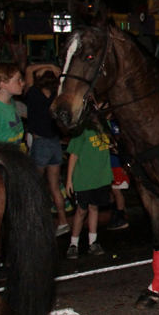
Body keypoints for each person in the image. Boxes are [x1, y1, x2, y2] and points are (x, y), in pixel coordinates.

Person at [24, 64, 70, 236]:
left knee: (35, 185)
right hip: (55, 143)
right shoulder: (55, 96)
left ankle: (37, 223)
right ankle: (63, 222)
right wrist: (53, 68)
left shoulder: (34, 93)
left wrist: (47, 65)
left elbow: (29, 70)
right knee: (54, 186)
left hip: (41, 143)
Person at [65, 120, 113, 259]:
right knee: (81, 210)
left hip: (100, 177)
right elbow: (73, 154)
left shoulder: (105, 124)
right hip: (84, 178)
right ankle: (73, 244)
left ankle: (93, 242)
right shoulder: (82, 128)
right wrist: (69, 179)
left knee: (94, 208)